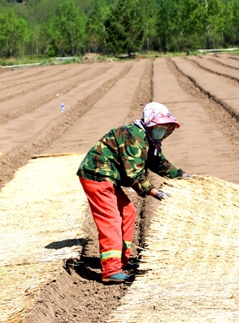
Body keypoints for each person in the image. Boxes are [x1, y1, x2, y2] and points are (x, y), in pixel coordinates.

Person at [77, 102, 190, 284]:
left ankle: (122, 260)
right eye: (159, 127)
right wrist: (154, 192)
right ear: (149, 124)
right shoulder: (133, 136)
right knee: (111, 219)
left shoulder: (149, 140)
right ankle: (111, 270)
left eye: (165, 128)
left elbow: (158, 162)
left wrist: (180, 176)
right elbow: (134, 173)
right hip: (97, 175)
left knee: (128, 212)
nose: (162, 131)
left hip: (108, 177)